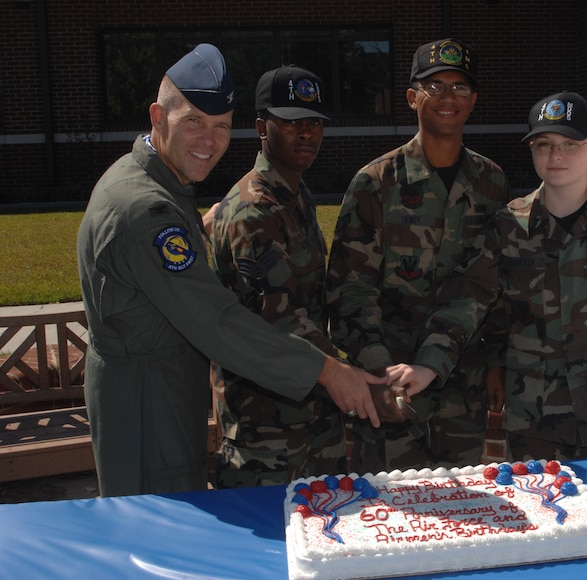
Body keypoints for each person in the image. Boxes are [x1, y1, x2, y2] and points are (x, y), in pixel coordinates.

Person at [77, 44, 383, 497]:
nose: (210, 139)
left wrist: (194, 234)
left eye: (220, 126)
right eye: (194, 121)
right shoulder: (146, 210)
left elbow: (145, 271)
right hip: (147, 405)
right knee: (154, 534)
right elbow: (218, 322)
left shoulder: (153, 183)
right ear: (158, 117)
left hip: (162, 391)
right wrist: (330, 372)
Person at [389, 92, 587, 461]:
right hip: (535, 423)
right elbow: (467, 301)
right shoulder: (509, 226)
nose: (556, 156)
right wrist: (428, 364)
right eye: (544, 145)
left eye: (570, 144)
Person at [326, 38, 510, 473]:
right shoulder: (376, 183)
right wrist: (380, 373)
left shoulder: (491, 183)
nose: (448, 98)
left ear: (474, 100)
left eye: (460, 87)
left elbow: (497, 285)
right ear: (412, 98)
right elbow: (349, 290)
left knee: (461, 515)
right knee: (387, 516)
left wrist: (497, 362)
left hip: (463, 387)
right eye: (435, 86)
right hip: (389, 390)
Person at [203, 66, 346, 488]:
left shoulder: (295, 193)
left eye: (314, 123)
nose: (306, 133)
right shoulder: (254, 210)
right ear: (262, 128)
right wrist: (355, 379)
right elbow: (281, 319)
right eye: (291, 122)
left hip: (312, 416)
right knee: (265, 549)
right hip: (265, 431)